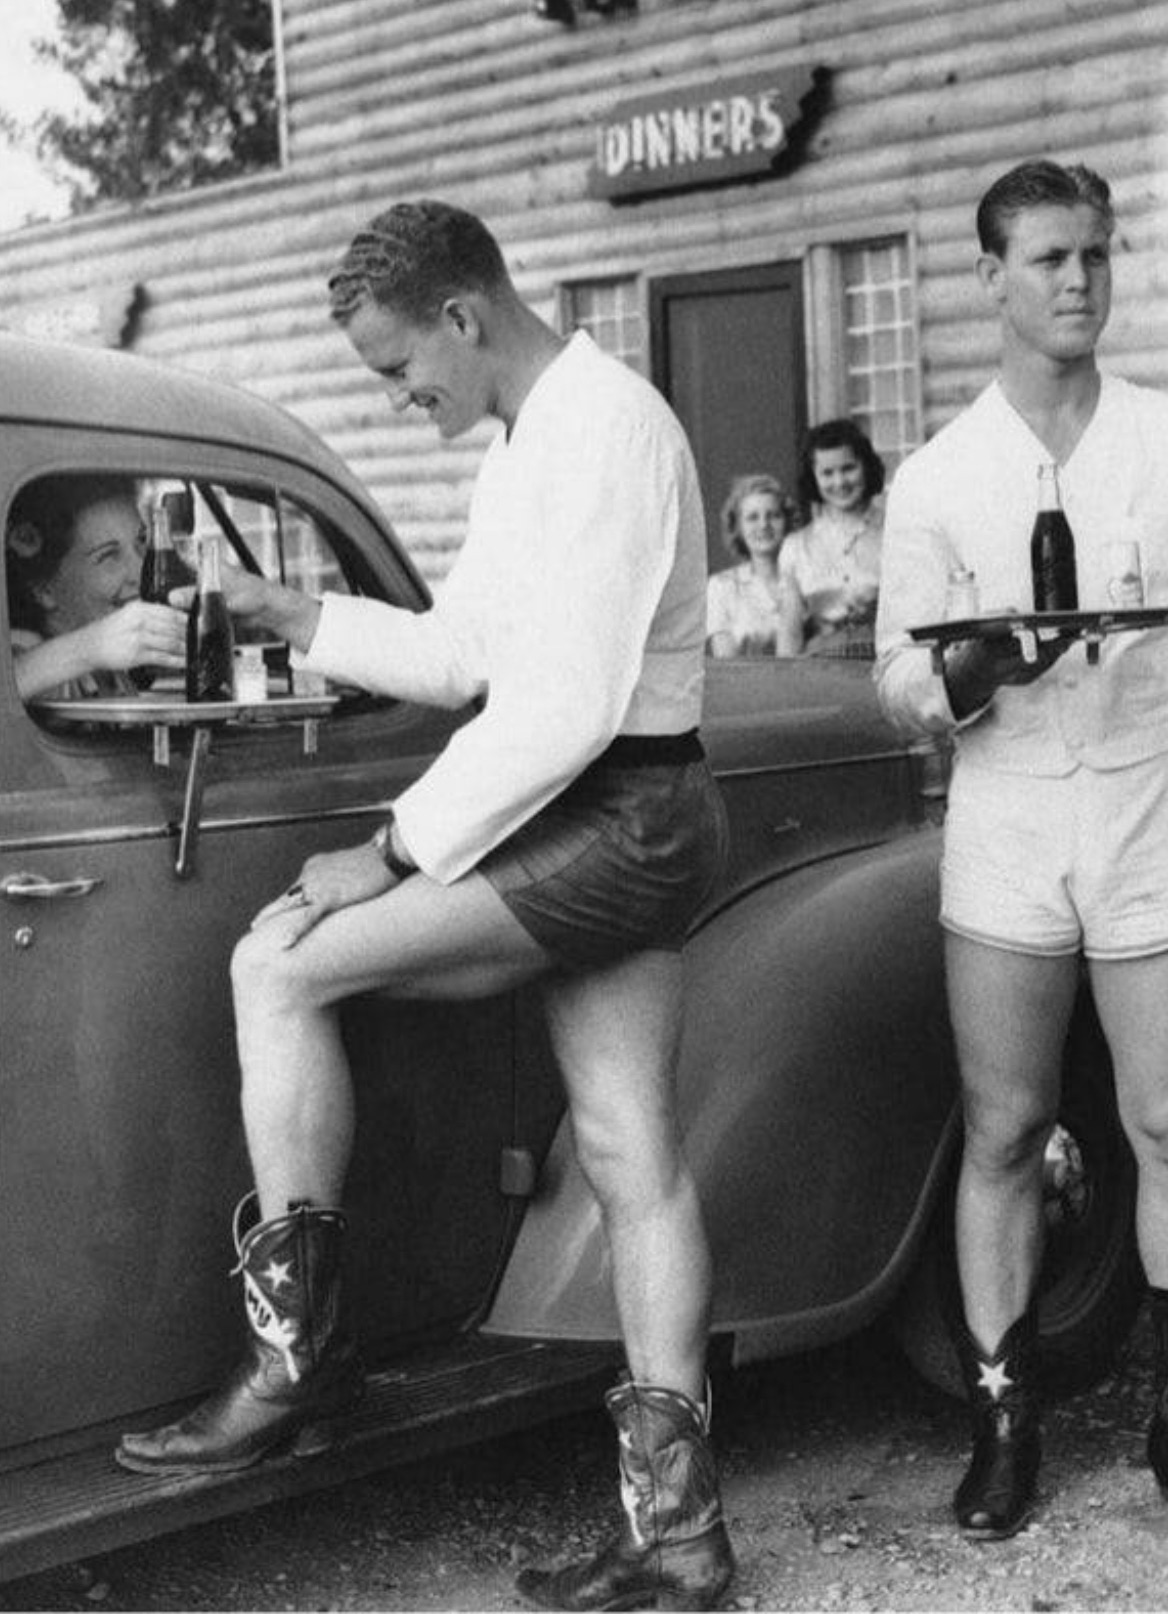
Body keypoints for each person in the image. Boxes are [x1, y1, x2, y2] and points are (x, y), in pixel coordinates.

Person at [112, 199, 736, 1612]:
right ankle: (681, 1537)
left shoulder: (609, 430)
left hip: (619, 813)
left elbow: (565, 709)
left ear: (465, 313)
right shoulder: (532, 442)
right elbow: (466, 657)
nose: (404, 396)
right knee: (636, 1154)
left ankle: (296, 1358)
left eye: (404, 370)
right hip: (618, 810)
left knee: (281, 965)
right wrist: (289, 612)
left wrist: (386, 852)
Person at [875, 159, 1168, 1541]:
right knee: (1004, 1129)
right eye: (1048, 258)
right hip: (1007, 829)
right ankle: (1005, 1425)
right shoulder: (939, 475)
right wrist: (967, 674)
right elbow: (898, 674)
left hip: (1156, 816)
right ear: (991, 276)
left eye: (1096, 255)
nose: (1077, 280)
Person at [5, 474, 187, 701]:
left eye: (141, 541)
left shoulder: (110, 662)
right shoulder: (26, 648)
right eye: (108, 556)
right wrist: (91, 646)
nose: (141, 570)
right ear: (44, 590)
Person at [778, 416, 887, 657]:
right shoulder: (796, 547)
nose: (840, 482)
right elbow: (790, 633)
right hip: (820, 673)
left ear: (866, 466)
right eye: (827, 473)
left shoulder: (896, 532)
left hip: (888, 660)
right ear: (813, 478)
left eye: (848, 468)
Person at [706, 471, 797, 657]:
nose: (764, 525)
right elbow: (726, 666)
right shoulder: (723, 587)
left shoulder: (804, 577)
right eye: (752, 518)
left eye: (773, 515)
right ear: (737, 527)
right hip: (746, 685)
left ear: (787, 521)